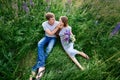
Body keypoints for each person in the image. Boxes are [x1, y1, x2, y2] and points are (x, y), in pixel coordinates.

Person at [30, 12, 60, 80]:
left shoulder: (57, 23)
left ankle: (35, 68)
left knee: (48, 49)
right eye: (52, 19)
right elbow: (51, 33)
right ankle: (42, 66)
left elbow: (65, 26)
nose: (54, 20)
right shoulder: (44, 24)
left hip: (53, 38)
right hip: (47, 37)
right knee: (39, 44)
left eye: (54, 18)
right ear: (48, 20)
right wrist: (57, 28)